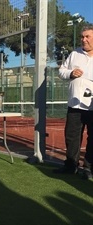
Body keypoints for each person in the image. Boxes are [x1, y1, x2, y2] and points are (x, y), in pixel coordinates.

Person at [54, 25, 93, 180]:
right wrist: (71, 73)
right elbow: (61, 71)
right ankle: (70, 166)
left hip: (91, 105)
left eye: (87, 37)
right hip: (74, 104)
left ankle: (89, 168)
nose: (83, 40)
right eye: (82, 37)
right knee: (71, 136)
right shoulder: (75, 54)